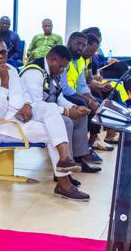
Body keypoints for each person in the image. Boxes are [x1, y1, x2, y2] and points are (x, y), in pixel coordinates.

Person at [0, 38, 89, 201]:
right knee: (52, 134)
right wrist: (4, 82)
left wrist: (27, 104)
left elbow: (24, 91)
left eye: (3, 52)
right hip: (7, 126)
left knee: (51, 108)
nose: (0, 56)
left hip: (24, 114)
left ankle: (64, 159)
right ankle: (63, 184)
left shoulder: (11, 69)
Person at [19, 45, 99, 173]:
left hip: (51, 112)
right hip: (33, 115)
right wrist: (66, 111)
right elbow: (36, 105)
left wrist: (74, 107)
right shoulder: (34, 72)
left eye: (64, 68)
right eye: (61, 66)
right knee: (66, 122)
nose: (62, 71)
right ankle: (64, 167)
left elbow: (59, 97)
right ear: (52, 59)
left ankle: (78, 159)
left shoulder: (54, 72)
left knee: (81, 117)